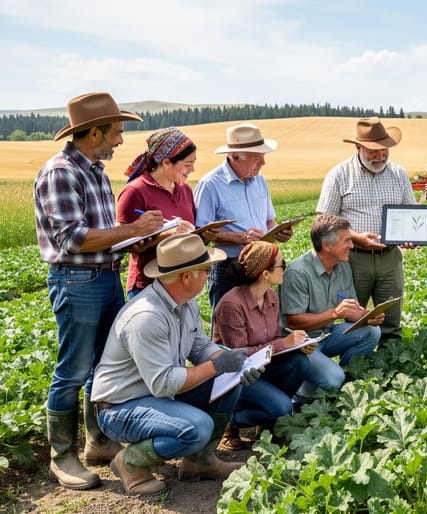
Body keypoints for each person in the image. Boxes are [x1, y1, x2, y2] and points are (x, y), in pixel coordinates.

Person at [33, 92, 166, 490]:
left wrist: (137, 240)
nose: (121, 140)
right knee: (72, 370)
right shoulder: (61, 173)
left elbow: (103, 235)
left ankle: (98, 442)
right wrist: (133, 230)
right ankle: (62, 456)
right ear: (94, 132)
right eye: (116, 132)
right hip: (76, 280)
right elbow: (73, 239)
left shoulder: (95, 172)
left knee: (103, 365)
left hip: (105, 276)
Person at [91, 234, 263, 495]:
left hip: (156, 395)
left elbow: (201, 348)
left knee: (229, 384)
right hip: (121, 408)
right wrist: (218, 366)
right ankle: (130, 462)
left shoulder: (185, 304)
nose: (208, 275)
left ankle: (200, 461)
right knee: (197, 427)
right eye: (205, 270)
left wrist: (237, 364)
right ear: (186, 276)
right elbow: (164, 384)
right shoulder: (147, 317)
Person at [316, 117, 417, 343]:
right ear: (358, 148)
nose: (380, 157)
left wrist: (411, 236)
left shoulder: (399, 174)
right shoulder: (339, 175)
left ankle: (390, 359)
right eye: (373, 152)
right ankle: (354, 361)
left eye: (384, 151)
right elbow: (323, 221)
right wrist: (355, 238)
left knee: (391, 321)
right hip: (352, 258)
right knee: (353, 319)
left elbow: (411, 213)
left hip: (390, 258)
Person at [212, 241, 313, 449]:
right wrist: (283, 343)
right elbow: (239, 356)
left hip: (261, 367)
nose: (285, 269)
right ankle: (229, 420)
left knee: (300, 362)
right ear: (265, 274)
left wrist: (295, 346)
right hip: (236, 377)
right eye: (282, 264)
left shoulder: (271, 297)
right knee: (283, 408)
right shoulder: (231, 305)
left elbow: (273, 339)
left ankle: (268, 420)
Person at [193, 123, 294, 318]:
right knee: (227, 322)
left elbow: (269, 220)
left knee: (258, 321)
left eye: (263, 156)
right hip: (228, 266)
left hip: (262, 262)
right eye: (256, 157)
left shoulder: (260, 180)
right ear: (235, 157)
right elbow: (201, 233)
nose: (263, 163)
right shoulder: (210, 184)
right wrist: (241, 238)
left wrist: (279, 230)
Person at [281, 214, 381, 406]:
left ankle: (346, 387)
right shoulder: (298, 272)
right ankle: (300, 394)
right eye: (347, 241)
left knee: (371, 331)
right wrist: (335, 313)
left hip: (325, 336)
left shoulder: (342, 266)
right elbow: (293, 321)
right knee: (333, 378)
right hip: (300, 344)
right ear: (327, 245)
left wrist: (367, 316)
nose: (352, 246)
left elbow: (351, 309)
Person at [117, 127, 202, 299]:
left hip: (182, 283)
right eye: (187, 164)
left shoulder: (185, 189)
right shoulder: (135, 191)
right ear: (166, 162)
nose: (192, 169)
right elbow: (124, 242)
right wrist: (167, 234)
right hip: (148, 285)